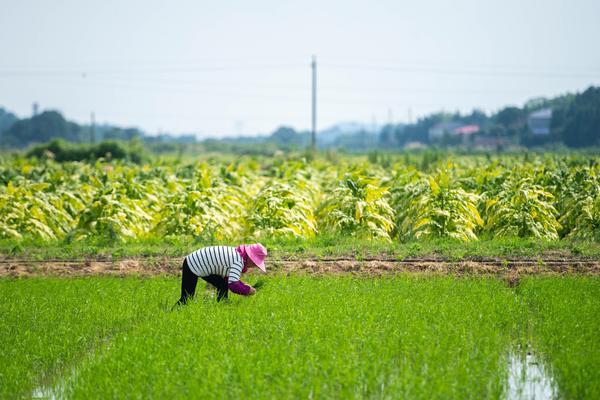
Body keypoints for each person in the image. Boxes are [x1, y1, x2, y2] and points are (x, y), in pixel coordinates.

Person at [174, 243, 267, 306]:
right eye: (255, 263)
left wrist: (243, 286)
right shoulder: (238, 261)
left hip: (201, 263)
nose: (255, 266)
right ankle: (173, 314)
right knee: (186, 299)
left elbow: (228, 279)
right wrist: (247, 291)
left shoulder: (237, 255)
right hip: (193, 264)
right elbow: (233, 285)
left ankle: (223, 304)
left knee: (222, 284)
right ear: (250, 257)